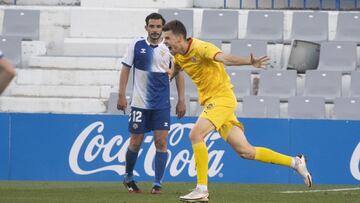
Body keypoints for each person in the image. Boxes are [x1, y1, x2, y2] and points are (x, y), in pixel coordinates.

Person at [162, 20, 312, 201]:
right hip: (214, 103)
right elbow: (178, 67)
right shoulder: (178, 56)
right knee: (246, 151)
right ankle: (295, 162)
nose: (164, 42)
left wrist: (249, 61)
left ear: (179, 38)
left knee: (195, 135)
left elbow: (224, 58)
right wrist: (169, 74)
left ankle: (201, 189)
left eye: (167, 38)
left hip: (222, 99)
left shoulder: (201, 48)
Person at [117, 13, 186, 194]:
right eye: (152, 26)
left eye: (158, 27)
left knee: (161, 143)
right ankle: (129, 177)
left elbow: (179, 73)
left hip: (162, 105)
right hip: (139, 103)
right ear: (146, 27)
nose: (155, 30)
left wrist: (181, 99)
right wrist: (121, 95)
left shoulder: (170, 48)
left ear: (162, 29)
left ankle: (157, 184)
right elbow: (125, 70)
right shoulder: (136, 44)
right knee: (135, 142)